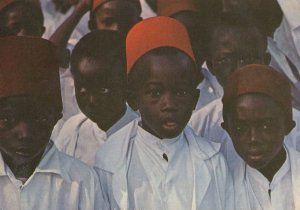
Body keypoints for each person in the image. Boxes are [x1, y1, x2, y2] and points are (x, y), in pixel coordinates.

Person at [94, 16, 233, 210]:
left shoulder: (212, 160)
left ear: (194, 99)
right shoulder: (108, 160)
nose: (169, 104)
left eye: (181, 92)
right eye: (155, 92)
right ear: (133, 99)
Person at [0, 36, 104, 209]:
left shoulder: (80, 181)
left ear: (56, 116)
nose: (25, 133)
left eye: (40, 118)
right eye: (7, 119)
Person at [189, 14, 270, 163]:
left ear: (265, 61)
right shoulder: (197, 128)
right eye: (227, 60)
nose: (240, 68)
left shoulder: (293, 123)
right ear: (212, 66)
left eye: (248, 58)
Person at [52, 30, 138, 165]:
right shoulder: (74, 130)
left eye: (103, 90)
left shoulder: (142, 133)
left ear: (126, 83)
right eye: (83, 90)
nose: (92, 100)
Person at [222, 64, 299, 209]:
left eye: (266, 126)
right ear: (228, 130)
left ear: (288, 126)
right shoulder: (220, 188)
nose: (253, 139)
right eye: (241, 128)